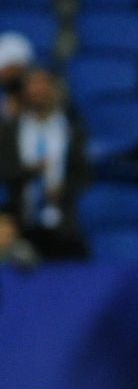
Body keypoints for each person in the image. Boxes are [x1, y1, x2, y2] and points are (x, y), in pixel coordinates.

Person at [0, 68, 89, 260]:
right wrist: (28, 172)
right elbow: (4, 171)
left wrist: (63, 190)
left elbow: (84, 174)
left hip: (64, 226)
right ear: (24, 92)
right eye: (33, 85)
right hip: (22, 226)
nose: (38, 91)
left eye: (43, 85)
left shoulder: (71, 130)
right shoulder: (9, 131)